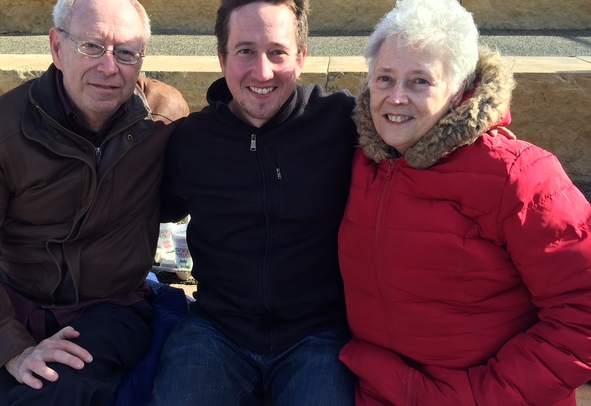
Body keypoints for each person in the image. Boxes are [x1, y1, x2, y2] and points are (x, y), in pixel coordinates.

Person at [0, 0, 189, 403]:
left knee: (62, 386)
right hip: (17, 297)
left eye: (126, 52)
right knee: (13, 382)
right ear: (56, 47)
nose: (109, 68)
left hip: (111, 304)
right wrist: (9, 349)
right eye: (92, 46)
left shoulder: (164, 118)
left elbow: (176, 201)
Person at [337, 0, 591, 404]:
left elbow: (582, 314)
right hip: (374, 390)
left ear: (460, 91)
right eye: (385, 78)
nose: (396, 98)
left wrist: (479, 396)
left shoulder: (520, 176)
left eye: (420, 81)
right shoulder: (361, 161)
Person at [149, 0, 357, 404]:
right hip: (217, 328)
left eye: (277, 52)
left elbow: (417, 126)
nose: (262, 72)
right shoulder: (191, 141)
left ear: (301, 57)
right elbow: (140, 208)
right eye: (245, 51)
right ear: (222, 57)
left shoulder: (342, 122)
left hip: (318, 332)